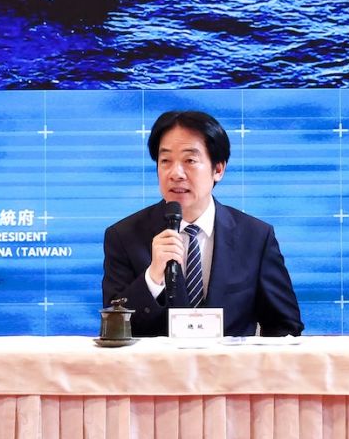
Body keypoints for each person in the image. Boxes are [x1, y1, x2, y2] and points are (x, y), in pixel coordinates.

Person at [102, 110, 303, 337]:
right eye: (165, 160)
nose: (176, 173)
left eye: (189, 160)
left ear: (218, 169)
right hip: (156, 371)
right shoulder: (124, 236)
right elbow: (113, 329)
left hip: (232, 370)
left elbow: (285, 326)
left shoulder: (256, 237)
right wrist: (153, 277)